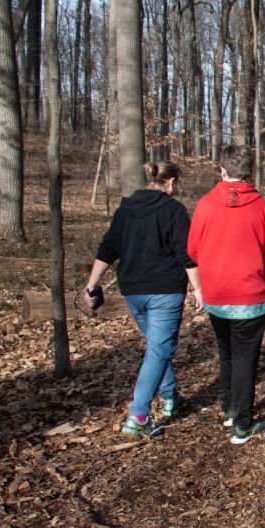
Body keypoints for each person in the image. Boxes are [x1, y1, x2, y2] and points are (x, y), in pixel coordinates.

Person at [85, 161, 202, 438]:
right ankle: (138, 415)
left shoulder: (125, 210)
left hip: (133, 290)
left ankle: (171, 398)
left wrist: (92, 284)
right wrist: (198, 288)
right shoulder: (173, 210)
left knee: (156, 348)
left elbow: (107, 249)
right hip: (165, 290)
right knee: (159, 349)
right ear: (170, 182)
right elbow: (186, 255)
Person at [188, 145, 265, 445]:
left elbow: (192, 249)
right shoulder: (262, 207)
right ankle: (241, 424)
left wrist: (214, 267)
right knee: (244, 358)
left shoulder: (205, 205)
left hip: (216, 295)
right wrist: (257, 266)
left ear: (223, 169)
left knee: (227, 351)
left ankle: (230, 408)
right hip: (248, 295)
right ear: (249, 172)